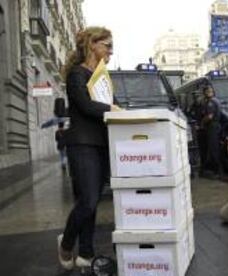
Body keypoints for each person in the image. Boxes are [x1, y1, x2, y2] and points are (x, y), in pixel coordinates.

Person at [57, 26, 122, 270]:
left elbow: (114, 105)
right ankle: (66, 243)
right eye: (107, 45)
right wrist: (112, 110)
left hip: (102, 144)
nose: (111, 51)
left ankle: (86, 252)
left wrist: (120, 111)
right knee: (88, 201)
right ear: (92, 44)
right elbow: (85, 106)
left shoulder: (103, 77)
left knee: (91, 201)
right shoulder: (77, 74)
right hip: (82, 143)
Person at [198, 85, 223, 178]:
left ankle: (217, 171)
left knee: (213, 149)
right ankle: (216, 170)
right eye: (207, 91)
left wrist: (201, 123)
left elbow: (209, 116)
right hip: (214, 126)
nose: (208, 92)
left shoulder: (211, 102)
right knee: (213, 148)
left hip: (212, 127)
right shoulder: (214, 100)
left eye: (209, 91)